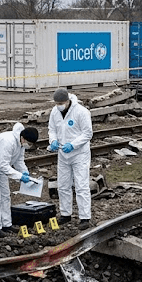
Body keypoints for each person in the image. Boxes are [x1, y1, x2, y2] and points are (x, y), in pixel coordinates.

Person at [0, 123, 38, 237]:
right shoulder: (8, 141)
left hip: (0, 166)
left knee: (5, 195)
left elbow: (19, 160)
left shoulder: (21, 144)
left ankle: (6, 224)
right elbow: (3, 166)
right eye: (29, 143)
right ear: (23, 138)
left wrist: (24, 172)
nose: (29, 146)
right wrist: (20, 177)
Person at [47, 87, 94, 229]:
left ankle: (85, 217)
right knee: (63, 185)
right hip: (63, 154)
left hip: (79, 154)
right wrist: (53, 141)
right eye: (56, 103)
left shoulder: (81, 112)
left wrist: (73, 145)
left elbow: (87, 133)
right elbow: (52, 129)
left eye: (61, 103)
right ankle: (65, 214)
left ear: (68, 101)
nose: (59, 106)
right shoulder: (55, 112)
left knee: (81, 186)